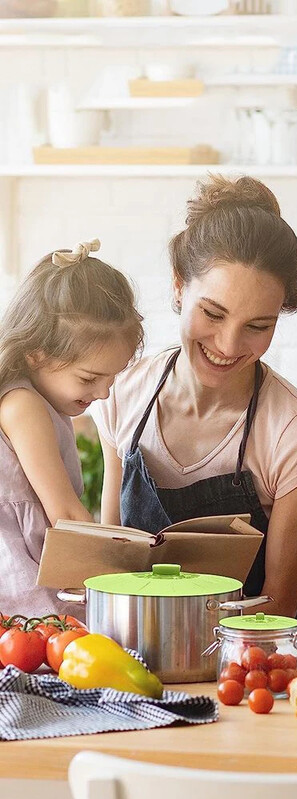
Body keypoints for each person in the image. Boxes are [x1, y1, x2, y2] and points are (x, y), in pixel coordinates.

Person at [96, 175, 297, 620]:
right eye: (213, 313)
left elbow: (279, 606)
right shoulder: (122, 393)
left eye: (258, 326)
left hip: (243, 669)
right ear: (179, 285)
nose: (228, 345)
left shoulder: (295, 432)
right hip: (128, 659)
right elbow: (111, 567)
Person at [0, 239, 143, 617]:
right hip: (22, 594)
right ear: (37, 353)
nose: (104, 391)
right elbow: (64, 511)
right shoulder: (23, 405)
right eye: (90, 378)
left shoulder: (37, 401)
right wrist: (127, 568)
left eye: (112, 377)